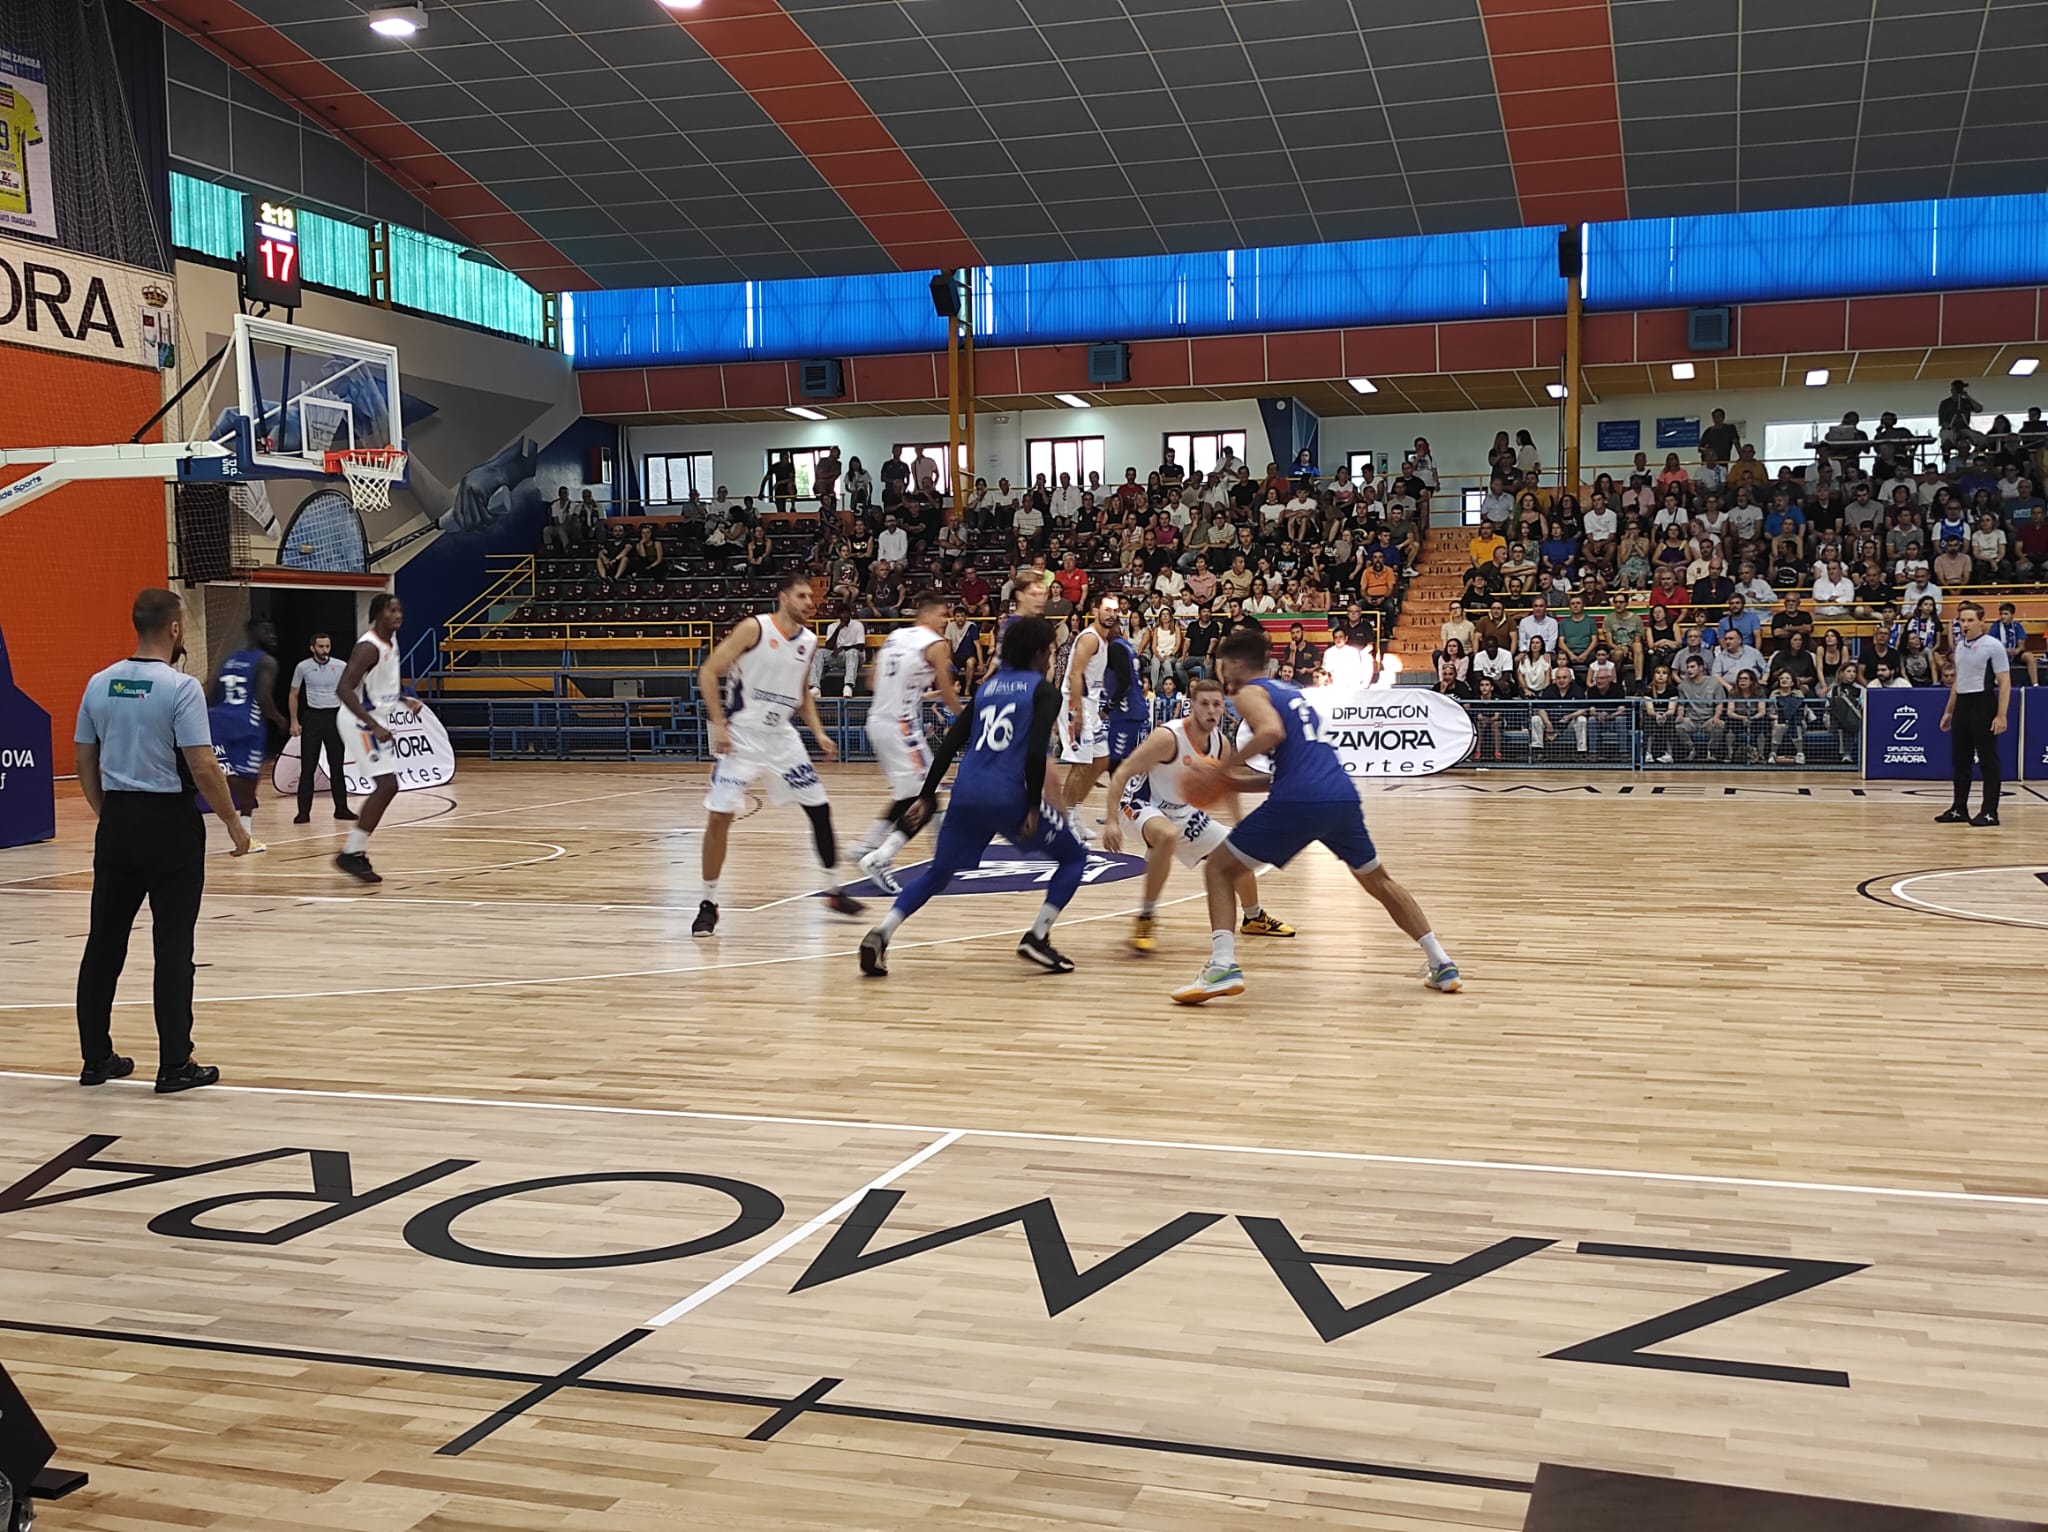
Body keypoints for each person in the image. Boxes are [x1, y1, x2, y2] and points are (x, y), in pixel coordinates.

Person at [1169, 628, 1461, 1004]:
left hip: (1301, 799)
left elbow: (1271, 733)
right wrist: (1229, 780)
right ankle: (1441, 963)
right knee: (1378, 880)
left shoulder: (1249, 693)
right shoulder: (1291, 693)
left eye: (1223, 664)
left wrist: (1222, 766)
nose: (1222, 672)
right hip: (1338, 795)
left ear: (1236, 664)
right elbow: (1284, 773)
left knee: (1219, 868)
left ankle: (1223, 965)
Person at [73, 588, 249, 1094]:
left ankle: (95, 1059)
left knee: (104, 942)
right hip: (169, 824)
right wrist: (234, 825)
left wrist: (108, 812)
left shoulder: (99, 683)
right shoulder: (181, 687)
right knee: (172, 945)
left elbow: (85, 760)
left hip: (118, 821)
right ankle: (174, 1064)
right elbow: (202, 764)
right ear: (175, 629)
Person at [857, 617, 1087, 978]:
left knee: (938, 872)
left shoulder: (989, 687)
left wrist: (926, 794)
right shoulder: (1044, 691)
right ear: (1041, 653)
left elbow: (950, 742)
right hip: (1007, 794)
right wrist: (1030, 806)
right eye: (1051, 652)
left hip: (965, 793)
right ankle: (1037, 936)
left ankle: (881, 932)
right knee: (1074, 857)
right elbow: (1034, 753)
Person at [694, 572, 864, 935]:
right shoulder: (754, 628)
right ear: (784, 597)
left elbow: (801, 691)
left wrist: (818, 731)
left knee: (819, 809)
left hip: (782, 739)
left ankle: (834, 890)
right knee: (719, 818)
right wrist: (719, 725)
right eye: (802, 596)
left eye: (812, 598)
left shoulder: (809, 639)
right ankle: (708, 902)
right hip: (741, 737)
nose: (810, 602)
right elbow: (708, 672)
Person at [1103, 678, 1293, 953]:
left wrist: (1240, 824)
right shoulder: (1168, 738)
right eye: (1204, 704)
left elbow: (1228, 786)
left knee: (1238, 850)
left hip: (1181, 810)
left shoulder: (1220, 743)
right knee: (1166, 836)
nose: (1211, 710)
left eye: (1217, 704)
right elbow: (1122, 773)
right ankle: (1145, 917)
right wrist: (1110, 821)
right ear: (1191, 706)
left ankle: (1253, 917)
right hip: (1139, 804)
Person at [851, 591, 962, 893]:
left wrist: (919, 695)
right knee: (928, 797)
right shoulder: (936, 644)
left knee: (908, 795)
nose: (945, 621)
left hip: (877, 721)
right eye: (942, 615)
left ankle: (867, 846)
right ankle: (882, 857)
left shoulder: (896, 636)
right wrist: (967, 719)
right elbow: (950, 691)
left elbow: (872, 681)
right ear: (926, 614)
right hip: (902, 728)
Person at [334, 594, 421, 884]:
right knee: (387, 784)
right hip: (359, 720)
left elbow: (377, 686)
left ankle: (353, 852)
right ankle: (351, 853)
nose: (398, 615)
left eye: (400, 609)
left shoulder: (391, 642)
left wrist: (402, 699)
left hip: (374, 718)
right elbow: (344, 689)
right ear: (377, 614)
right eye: (391, 610)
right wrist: (373, 725)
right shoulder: (368, 647)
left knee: (388, 786)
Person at [206, 619, 286, 852]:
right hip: (245, 726)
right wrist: (278, 718)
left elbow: (212, 693)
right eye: (266, 630)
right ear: (253, 632)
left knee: (227, 776)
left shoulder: (228, 660)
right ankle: (245, 836)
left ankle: (241, 833)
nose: (272, 634)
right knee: (249, 784)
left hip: (218, 721)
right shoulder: (266, 661)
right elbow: (262, 696)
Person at [1936, 599, 2011, 827]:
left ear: (1982, 622)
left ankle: (1990, 811)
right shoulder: (1960, 646)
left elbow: (2005, 682)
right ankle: (1959, 808)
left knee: (1988, 760)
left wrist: (2001, 715)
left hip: (1983, 703)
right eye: (1962, 620)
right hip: (1963, 705)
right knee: (1960, 759)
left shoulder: (1993, 646)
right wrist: (1949, 711)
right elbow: (1959, 681)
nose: (1965, 624)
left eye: (1970, 620)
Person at [1056, 593, 1121, 835]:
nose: (1111, 614)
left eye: (1115, 610)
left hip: (1090, 705)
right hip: (1076, 703)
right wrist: (1078, 711)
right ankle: (1064, 821)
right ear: (1095, 610)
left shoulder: (1104, 641)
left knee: (1101, 760)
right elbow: (1075, 674)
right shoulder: (1090, 638)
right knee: (1080, 764)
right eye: (1107, 609)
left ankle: (1074, 812)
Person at [289, 632, 356, 825]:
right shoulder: (303, 667)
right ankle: (303, 812)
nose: (324, 650)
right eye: (321, 647)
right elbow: (293, 694)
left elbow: (349, 690)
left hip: (334, 717)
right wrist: (294, 721)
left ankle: (341, 808)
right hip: (313, 717)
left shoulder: (341, 666)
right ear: (312, 648)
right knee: (308, 766)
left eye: (327, 646)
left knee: (337, 765)